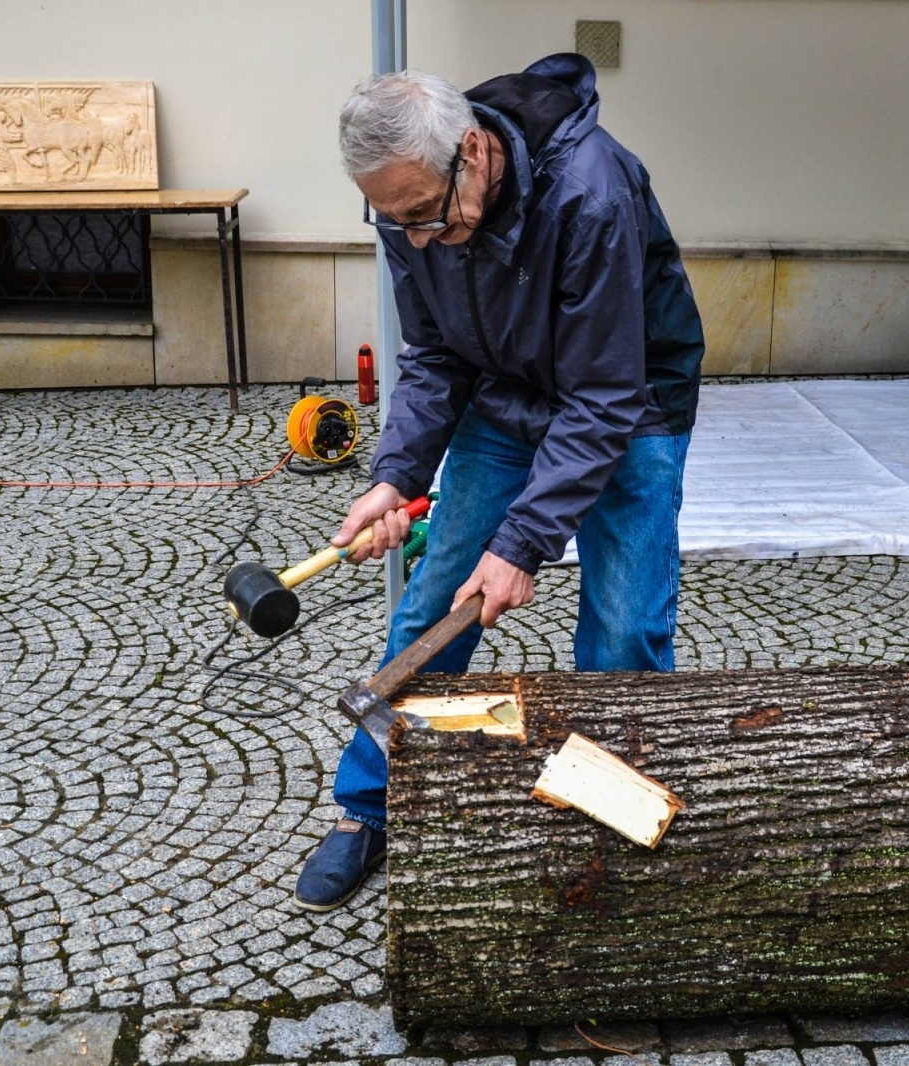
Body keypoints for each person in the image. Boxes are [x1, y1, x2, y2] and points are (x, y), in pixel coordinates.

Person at [294, 53, 704, 912]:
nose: (412, 237)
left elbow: (602, 396)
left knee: (626, 627)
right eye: (391, 219)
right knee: (436, 603)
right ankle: (369, 807)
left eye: (423, 216)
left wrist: (521, 544)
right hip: (504, 395)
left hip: (632, 404)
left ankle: (614, 819)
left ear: (473, 155)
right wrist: (395, 477)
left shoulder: (592, 193)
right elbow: (436, 354)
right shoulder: (411, 203)